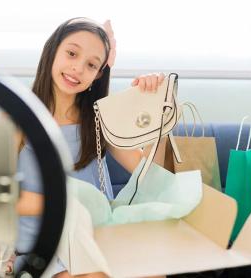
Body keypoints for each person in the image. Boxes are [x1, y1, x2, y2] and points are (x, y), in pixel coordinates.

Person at [9, 17, 164, 277]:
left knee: (153, 271)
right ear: (52, 51)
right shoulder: (18, 118)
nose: (78, 68)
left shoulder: (99, 119)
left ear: (97, 75)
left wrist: (152, 106)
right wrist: (68, 205)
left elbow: (150, 172)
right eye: (71, 53)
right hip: (44, 248)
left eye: (91, 64)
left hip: (96, 238)